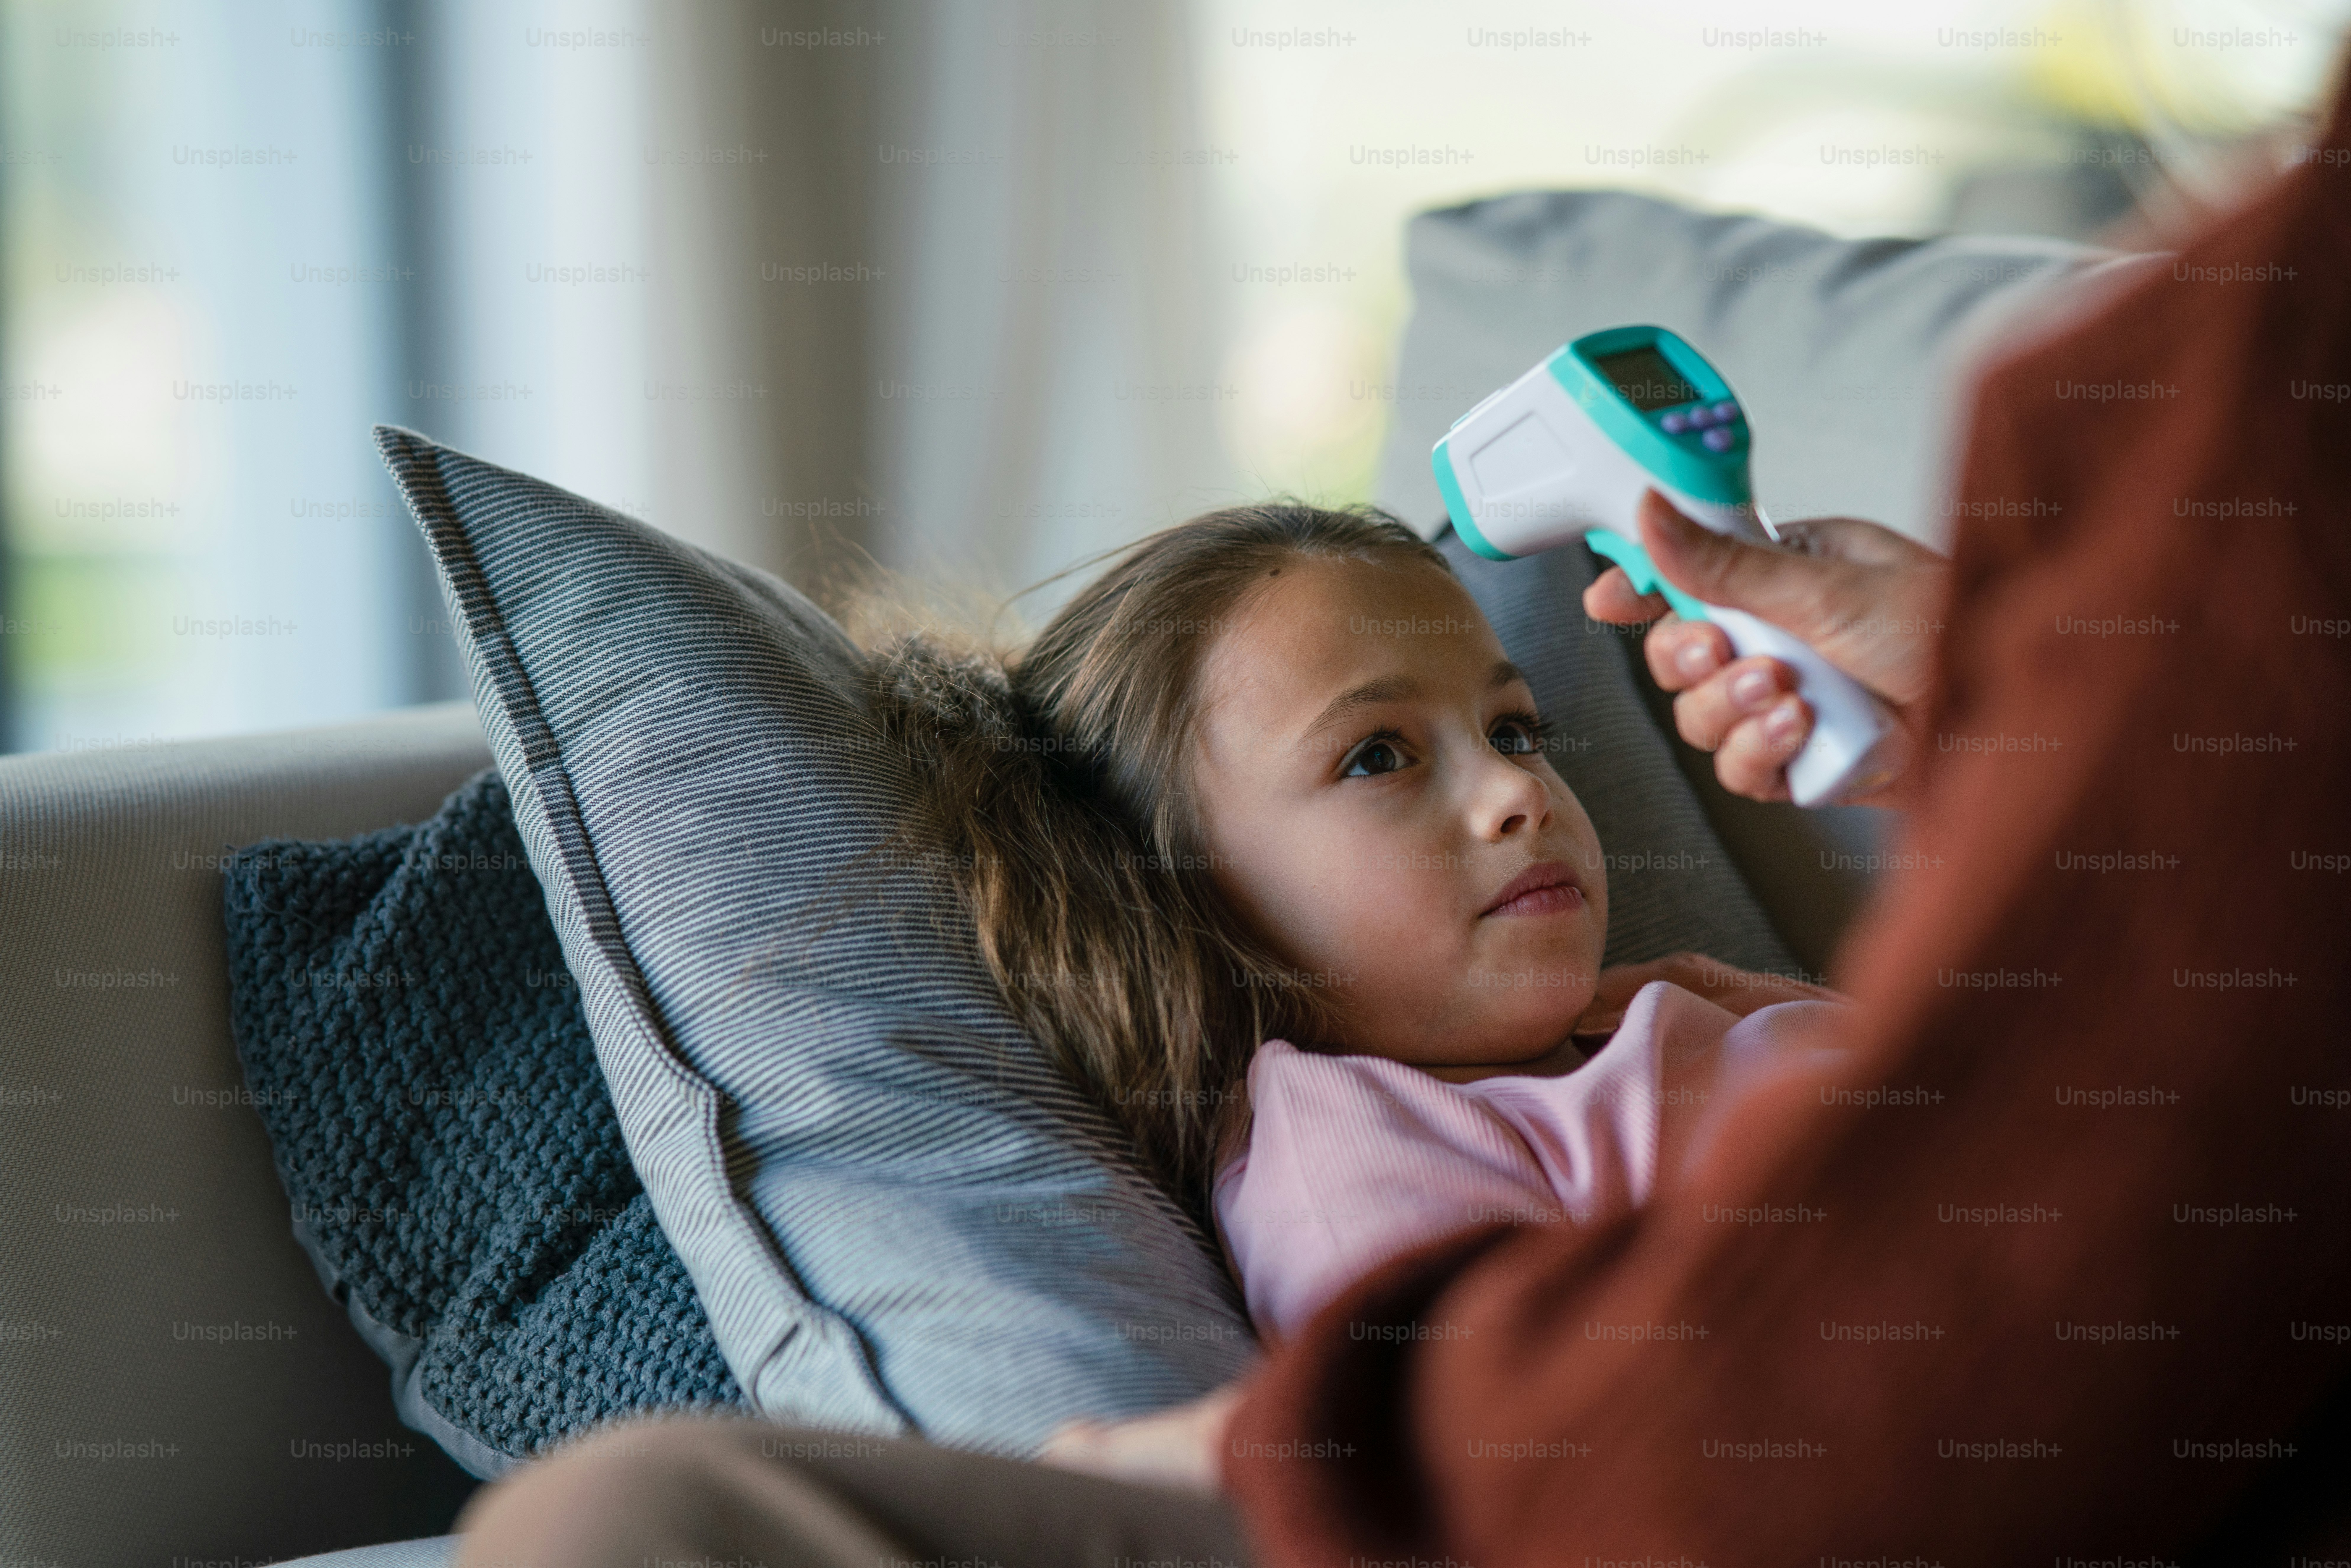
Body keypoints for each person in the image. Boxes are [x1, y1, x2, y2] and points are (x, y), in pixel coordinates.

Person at [456, 70, 2351, 1567]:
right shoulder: (1353, 1132)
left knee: (641, 1528)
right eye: (1381, 757)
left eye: (1515, 727)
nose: (1523, 783)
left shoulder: (1691, 1007)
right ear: (1190, 903)